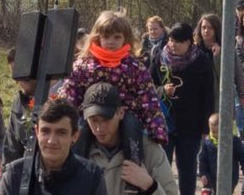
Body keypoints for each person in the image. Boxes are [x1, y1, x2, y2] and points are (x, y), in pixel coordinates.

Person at [63, 10, 170, 145]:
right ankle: (76, 162)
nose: (111, 42)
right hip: (91, 115)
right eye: (106, 37)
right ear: (97, 37)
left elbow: (148, 99)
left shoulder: (134, 67)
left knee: (131, 125)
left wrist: (157, 129)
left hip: (123, 116)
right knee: (80, 131)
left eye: (117, 37)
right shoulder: (84, 66)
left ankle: (133, 159)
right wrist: (59, 116)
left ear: (125, 38)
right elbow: (70, 93)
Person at [153, 21, 216, 195]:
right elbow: (147, 86)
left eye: (179, 42)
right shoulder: (159, 58)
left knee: (186, 165)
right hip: (163, 121)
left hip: (191, 123)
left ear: (189, 42)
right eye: (171, 40)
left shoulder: (201, 62)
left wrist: (206, 126)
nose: (174, 45)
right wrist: (163, 90)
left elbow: (208, 96)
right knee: (162, 164)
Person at [199, 110, 244, 195]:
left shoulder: (234, 141)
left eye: (219, 132)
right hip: (213, 175)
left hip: (231, 175)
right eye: (214, 132)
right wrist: (203, 173)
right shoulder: (208, 142)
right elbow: (202, 160)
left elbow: (243, 156)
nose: (216, 135)